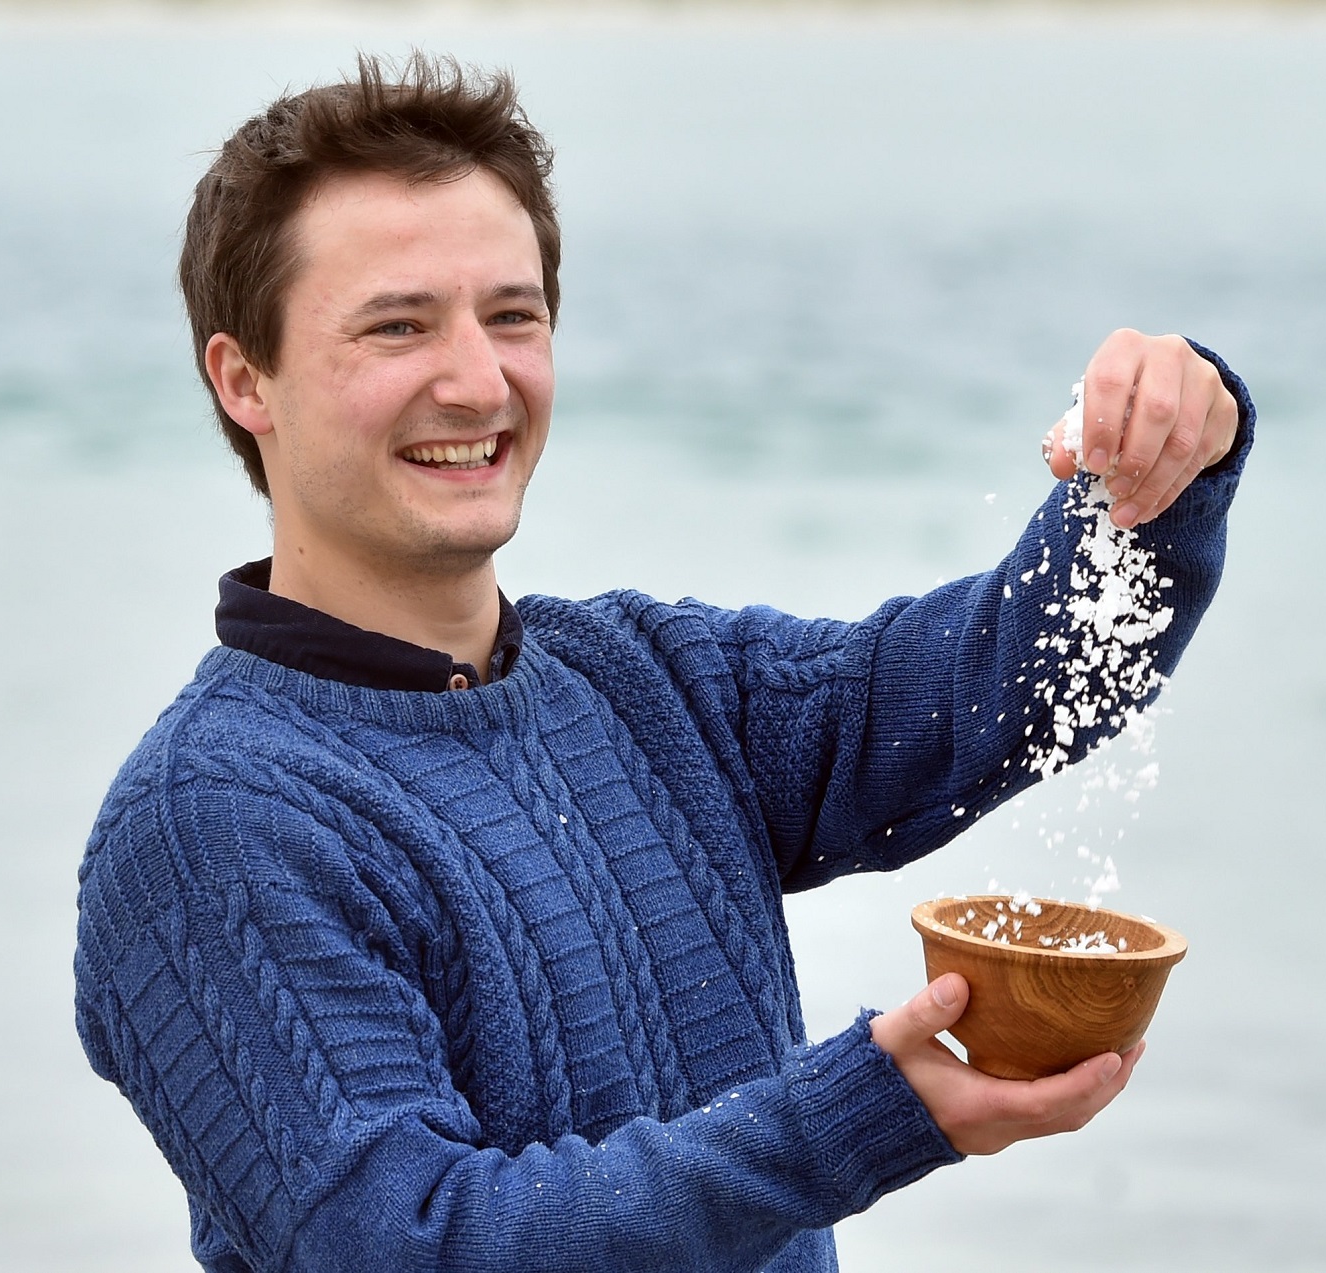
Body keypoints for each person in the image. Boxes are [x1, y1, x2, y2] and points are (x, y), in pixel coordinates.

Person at [73, 53, 1252, 1273]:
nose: (478, 380)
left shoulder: (647, 682)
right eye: (398, 325)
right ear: (244, 379)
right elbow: (410, 1244)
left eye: (513, 315)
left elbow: (1010, 686)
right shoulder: (208, 822)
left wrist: (1155, 467)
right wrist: (854, 1118)